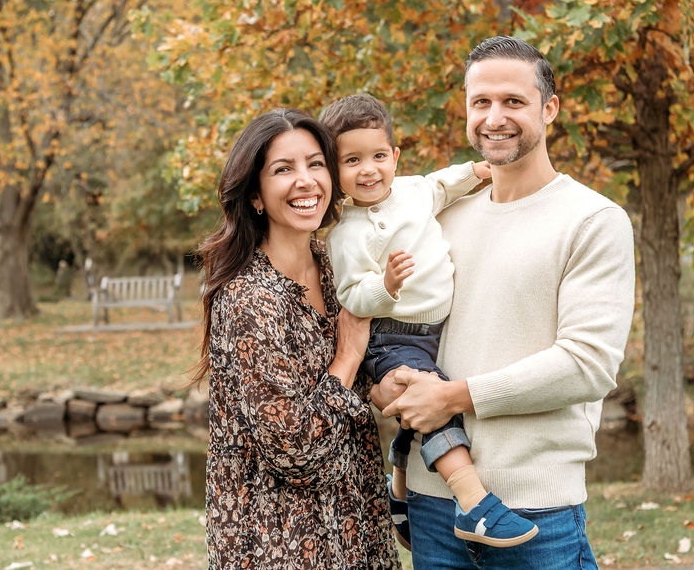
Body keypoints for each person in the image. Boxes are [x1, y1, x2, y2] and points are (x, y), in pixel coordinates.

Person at [379, 36, 637, 569]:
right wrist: (387, 381)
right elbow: (402, 325)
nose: (494, 117)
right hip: (434, 503)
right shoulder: (443, 217)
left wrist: (453, 397)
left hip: (537, 508)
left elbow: (586, 365)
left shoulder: (593, 221)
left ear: (549, 109)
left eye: (513, 102)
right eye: (481, 102)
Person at [319, 94, 539, 550]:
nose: (368, 170)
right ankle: (473, 504)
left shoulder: (412, 190)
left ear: (394, 156)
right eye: (352, 160)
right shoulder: (348, 233)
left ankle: (398, 489)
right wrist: (385, 285)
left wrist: (474, 173)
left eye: (379, 156)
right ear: (334, 171)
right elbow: (351, 295)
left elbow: (441, 185)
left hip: (436, 330)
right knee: (434, 403)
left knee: (420, 407)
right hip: (394, 337)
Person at [190, 108, 400, 569]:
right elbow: (297, 453)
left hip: (356, 533)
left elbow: (356, 394)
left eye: (316, 163)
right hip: (278, 543)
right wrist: (346, 358)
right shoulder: (248, 298)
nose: (306, 181)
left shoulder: (336, 268)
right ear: (256, 196)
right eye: (284, 169)